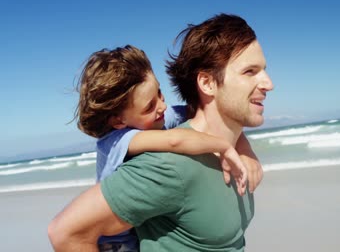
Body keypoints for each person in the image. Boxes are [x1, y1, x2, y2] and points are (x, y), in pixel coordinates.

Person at [48, 13, 274, 251]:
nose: (269, 83)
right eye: (250, 72)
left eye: (263, 70)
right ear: (207, 83)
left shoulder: (179, 121)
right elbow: (65, 233)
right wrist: (225, 146)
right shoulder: (166, 166)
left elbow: (198, 116)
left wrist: (243, 148)